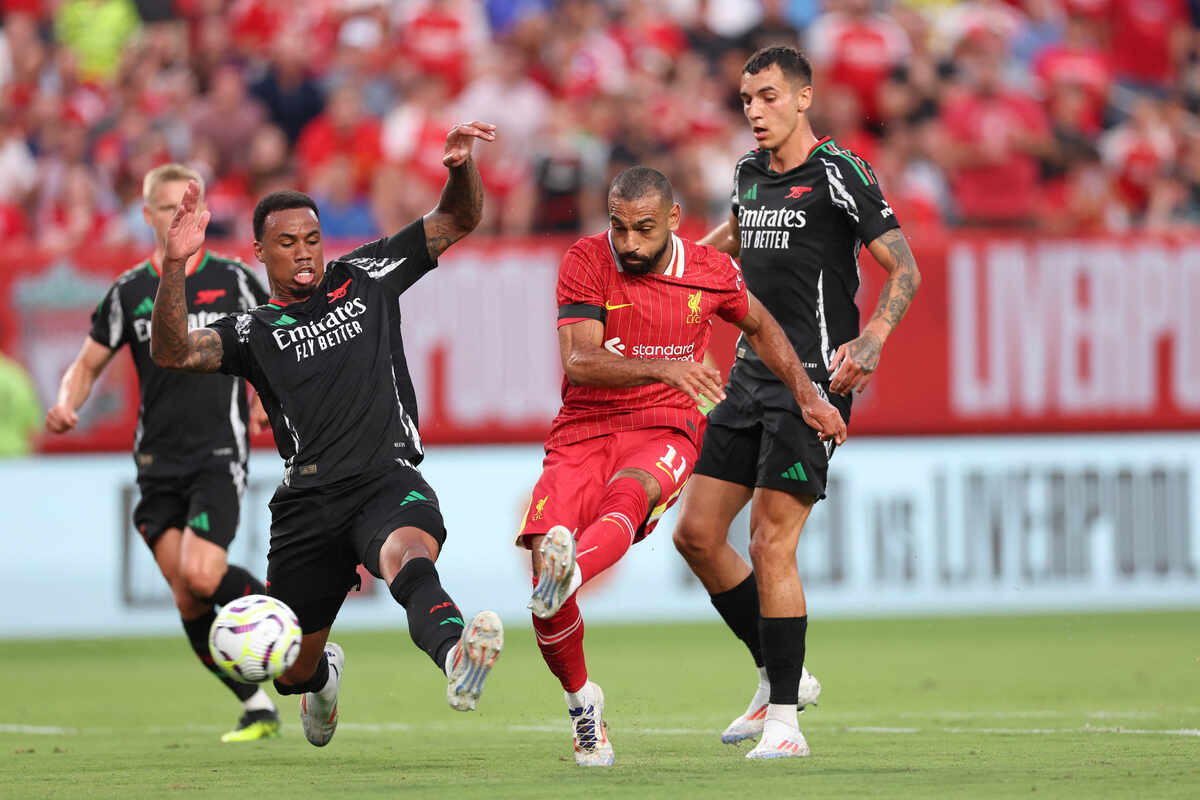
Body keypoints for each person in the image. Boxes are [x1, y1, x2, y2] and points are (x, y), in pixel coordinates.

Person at [148, 122, 504, 748]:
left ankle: (457, 658)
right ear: (260, 251)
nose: (305, 252)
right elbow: (173, 350)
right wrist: (175, 265)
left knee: (408, 558)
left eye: (312, 238)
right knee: (292, 671)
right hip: (308, 505)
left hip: (385, 478)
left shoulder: (366, 273)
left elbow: (460, 218)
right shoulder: (252, 330)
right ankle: (324, 677)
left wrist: (458, 168)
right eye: (287, 243)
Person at [518, 166, 846, 767]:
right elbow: (581, 361)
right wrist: (667, 368)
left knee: (630, 497)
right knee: (547, 564)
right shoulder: (587, 260)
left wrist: (806, 394)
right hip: (583, 429)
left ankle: (571, 571)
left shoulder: (711, 270)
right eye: (619, 227)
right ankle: (582, 703)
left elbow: (762, 326)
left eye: (643, 229)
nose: (630, 243)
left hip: (666, 427)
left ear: (672, 220)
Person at [672, 46, 921, 759]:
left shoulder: (840, 172)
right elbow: (735, 237)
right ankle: (783, 672)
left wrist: (872, 337)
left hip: (815, 383)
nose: (754, 110)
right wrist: (676, 267)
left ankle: (785, 724)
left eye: (769, 96)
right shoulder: (749, 174)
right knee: (696, 535)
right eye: (747, 99)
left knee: (770, 542)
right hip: (749, 375)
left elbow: (903, 265)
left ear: (804, 98)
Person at [45, 164, 281, 742]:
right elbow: (87, 362)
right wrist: (66, 401)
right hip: (156, 462)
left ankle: (297, 621)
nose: (180, 217)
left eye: (189, 207)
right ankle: (256, 705)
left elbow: (276, 338)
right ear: (148, 215)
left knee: (202, 574)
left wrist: (265, 400)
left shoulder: (233, 280)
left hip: (218, 450)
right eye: (168, 208)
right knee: (186, 592)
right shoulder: (128, 292)